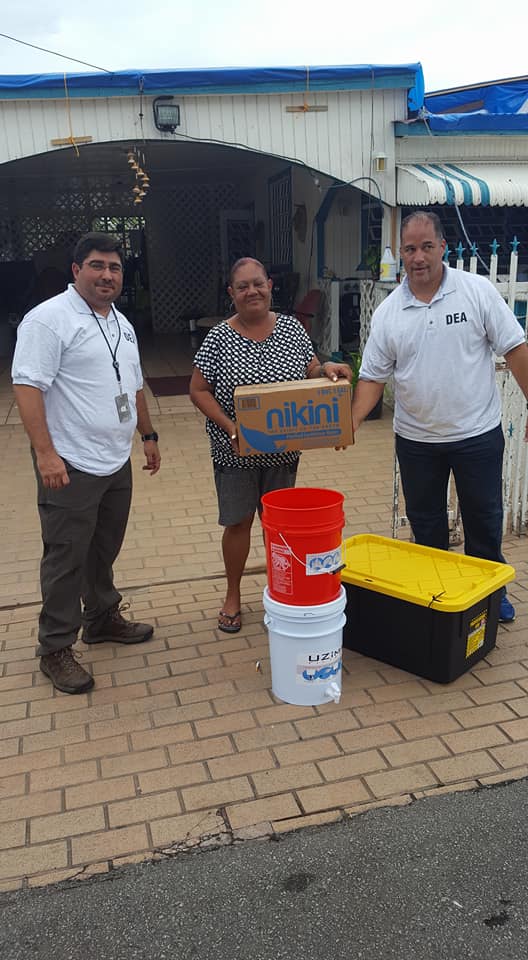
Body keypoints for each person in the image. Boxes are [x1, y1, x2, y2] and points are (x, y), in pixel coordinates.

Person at [351, 210, 528, 623]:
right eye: (410, 248)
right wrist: (352, 422)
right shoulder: (389, 312)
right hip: (417, 443)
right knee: (426, 526)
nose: (418, 257)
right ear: (402, 253)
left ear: (443, 247)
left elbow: (516, 349)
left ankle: (490, 596)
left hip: (477, 436)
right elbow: (372, 377)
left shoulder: (476, 292)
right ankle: (436, 599)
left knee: (484, 522)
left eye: (427, 246)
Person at [11, 232, 161, 694]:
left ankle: (100, 618)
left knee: (102, 547)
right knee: (66, 557)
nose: (107, 275)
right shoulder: (48, 320)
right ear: (77, 270)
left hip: (115, 460)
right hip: (70, 463)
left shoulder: (121, 322)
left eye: (115, 268)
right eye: (97, 265)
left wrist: (148, 435)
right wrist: (45, 454)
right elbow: (27, 386)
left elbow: (134, 385)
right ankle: (55, 647)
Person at [189, 257, 351, 633]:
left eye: (258, 283)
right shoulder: (218, 338)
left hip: (282, 449)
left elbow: (310, 369)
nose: (252, 291)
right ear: (231, 293)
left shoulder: (292, 329)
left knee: (279, 528)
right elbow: (198, 389)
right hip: (235, 451)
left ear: (270, 286)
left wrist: (325, 370)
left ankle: (282, 591)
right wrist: (231, 427)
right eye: (242, 286)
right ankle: (232, 595)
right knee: (238, 523)